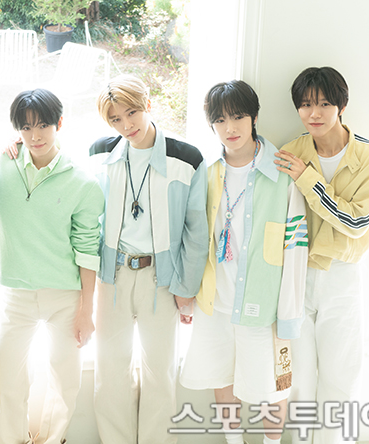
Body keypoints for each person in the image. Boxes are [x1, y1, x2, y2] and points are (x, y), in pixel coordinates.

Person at [179, 80, 308, 444]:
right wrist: (187, 293)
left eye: (237, 117)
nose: (230, 128)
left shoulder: (281, 172)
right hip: (215, 300)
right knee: (221, 376)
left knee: (274, 384)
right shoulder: (207, 173)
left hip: (262, 303)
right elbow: (193, 238)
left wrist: (289, 311)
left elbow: (296, 245)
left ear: (254, 117)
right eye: (220, 120)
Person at [275, 67, 369, 444]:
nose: (315, 113)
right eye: (306, 104)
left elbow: (355, 222)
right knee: (299, 379)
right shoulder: (291, 152)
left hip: (342, 275)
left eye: (325, 103)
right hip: (296, 273)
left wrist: (308, 179)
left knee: (340, 377)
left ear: (342, 106)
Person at [89, 74, 207, 444]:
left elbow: (196, 231)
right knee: (110, 370)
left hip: (162, 278)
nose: (127, 125)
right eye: (116, 119)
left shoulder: (186, 158)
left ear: (148, 105)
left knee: (160, 371)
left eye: (132, 113)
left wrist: (186, 288)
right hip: (112, 276)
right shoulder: (99, 153)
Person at [0, 88, 104, 444]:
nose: (35, 136)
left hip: (64, 295)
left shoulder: (82, 183)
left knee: (65, 378)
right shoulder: (0, 167)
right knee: (6, 376)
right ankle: (11, 440)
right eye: (26, 127)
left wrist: (87, 309)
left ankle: (52, 440)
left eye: (42, 126)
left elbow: (88, 251)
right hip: (15, 293)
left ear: (59, 124)